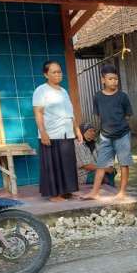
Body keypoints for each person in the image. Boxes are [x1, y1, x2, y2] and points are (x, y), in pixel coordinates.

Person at [33, 61, 83, 202]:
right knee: (53, 165)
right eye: (54, 72)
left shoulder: (63, 91)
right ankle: (55, 195)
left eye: (59, 71)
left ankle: (67, 191)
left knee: (67, 163)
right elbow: (38, 112)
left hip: (66, 133)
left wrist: (77, 130)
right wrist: (43, 132)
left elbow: (70, 113)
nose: (58, 74)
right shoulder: (41, 90)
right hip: (51, 134)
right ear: (46, 74)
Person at [83, 64, 133, 200]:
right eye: (110, 79)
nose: (114, 82)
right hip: (105, 136)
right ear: (103, 80)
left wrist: (118, 125)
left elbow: (128, 115)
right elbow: (99, 115)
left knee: (124, 163)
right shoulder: (97, 97)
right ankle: (94, 192)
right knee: (101, 164)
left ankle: (122, 192)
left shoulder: (122, 96)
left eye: (116, 79)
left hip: (122, 134)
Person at [75, 123, 115, 188]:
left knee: (112, 171)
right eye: (90, 131)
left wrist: (109, 166)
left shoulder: (95, 144)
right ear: (82, 132)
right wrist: (104, 169)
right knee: (103, 175)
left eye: (94, 131)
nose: (93, 133)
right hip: (84, 175)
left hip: (96, 170)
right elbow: (86, 165)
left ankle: (111, 190)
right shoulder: (78, 144)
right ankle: (109, 189)